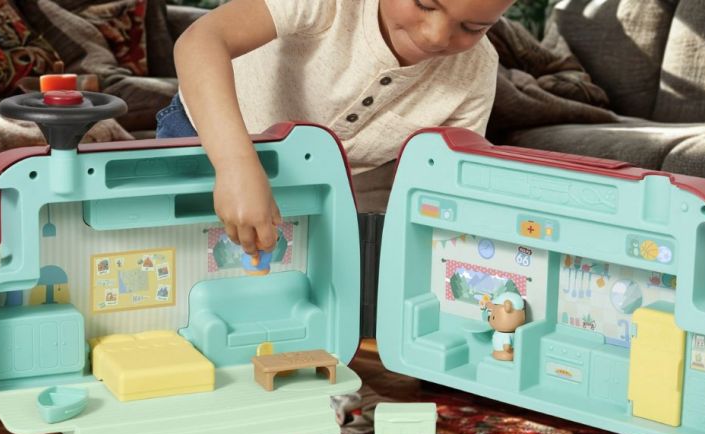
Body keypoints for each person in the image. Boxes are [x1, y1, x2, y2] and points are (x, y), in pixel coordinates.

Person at [159, 0, 513, 255]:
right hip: (210, 136)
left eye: (473, 28)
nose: (437, 37)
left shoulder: (476, 72)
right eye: (423, 4)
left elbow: (451, 186)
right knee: (181, 263)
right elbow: (201, 41)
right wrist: (235, 165)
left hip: (324, 183)